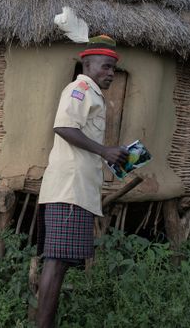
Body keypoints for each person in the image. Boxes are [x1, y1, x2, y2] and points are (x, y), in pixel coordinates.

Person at [35, 35, 129, 328]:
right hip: (68, 190)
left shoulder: (93, 93)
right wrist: (105, 151)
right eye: (105, 67)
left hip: (78, 190)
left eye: (113, 68)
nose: (111, 73)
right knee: (57, 260)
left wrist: (111, 155)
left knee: (60, 261)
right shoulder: (79, 88)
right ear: (87, 65)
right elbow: (64, 126)